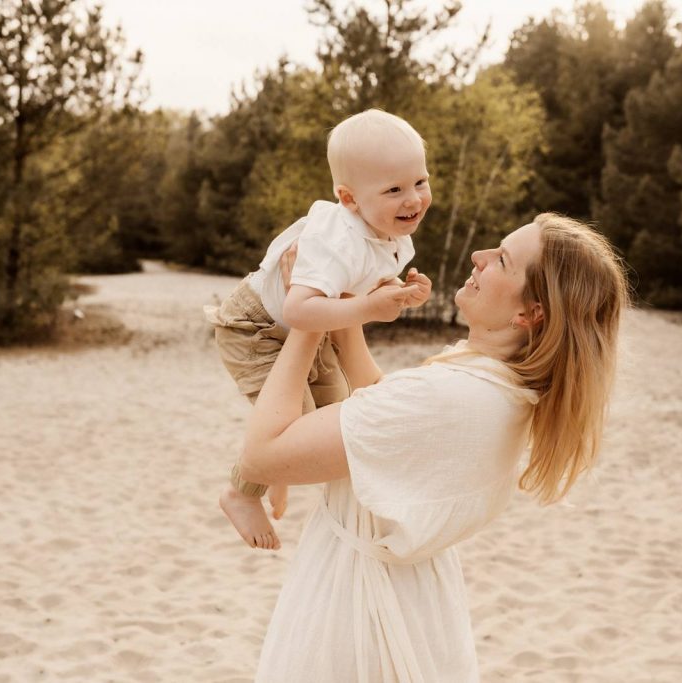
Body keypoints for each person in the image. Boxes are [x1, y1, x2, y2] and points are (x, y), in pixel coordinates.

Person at [237, 213, 629, 682]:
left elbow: (263, 455)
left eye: (501, 259)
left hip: (359, 615)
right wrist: (342, 305)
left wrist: (307, 318)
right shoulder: (495, 389)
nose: (478, 258)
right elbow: (383, 411)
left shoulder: (450, 396)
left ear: (531, 313)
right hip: (415, 602)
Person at [204, 109, 433, 550]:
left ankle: (275, 471)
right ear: (349, 199)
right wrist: (368, 306)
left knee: (338, 412)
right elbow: (301, 306)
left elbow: (363, 283)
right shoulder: (336, 235)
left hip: (312, 326)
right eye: (394, 189)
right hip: (257, 329)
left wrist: (401, 292)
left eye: (420, 182)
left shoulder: (392, 231)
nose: (414, 200)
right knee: (296, 427)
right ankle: (240, 491)